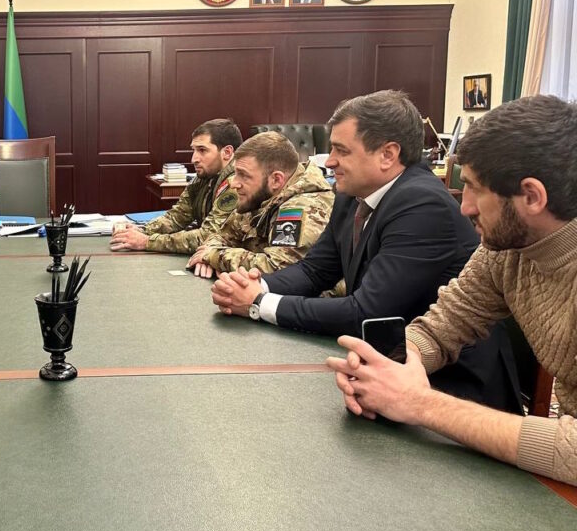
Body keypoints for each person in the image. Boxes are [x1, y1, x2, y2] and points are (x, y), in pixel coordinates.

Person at [210, 90, 520, 410]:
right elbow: (315, 271)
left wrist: (259, 304)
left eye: (341, 150)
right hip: (386, 368)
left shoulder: (423, 204)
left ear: (387, 154)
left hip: (453, 387)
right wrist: (255, 285)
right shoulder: (351, 194)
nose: (330, 161)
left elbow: (367, 312)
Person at [328, 95, 577, 485]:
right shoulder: (505, 249)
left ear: (531, 197)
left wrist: (420, 404)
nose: (465, 207)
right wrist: (392, 365)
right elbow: (441, 326)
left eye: (475, 189)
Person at [187, 131, 334, 278]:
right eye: (235, 173)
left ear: (276, 180)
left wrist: (214, 257)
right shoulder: (260, 196)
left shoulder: (303, 206)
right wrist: (208, 255)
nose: (234, 183)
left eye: (243, 175)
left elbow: (280, 268)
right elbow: (221, 235)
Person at [111, 118, 242, 254]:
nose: (194, 159)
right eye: (194, 150)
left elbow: (208, 237)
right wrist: (142, 230)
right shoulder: (204, 176)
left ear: (227, 152)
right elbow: (177, 217)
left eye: (202, 150)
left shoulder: (237, 183)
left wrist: (147, 242)